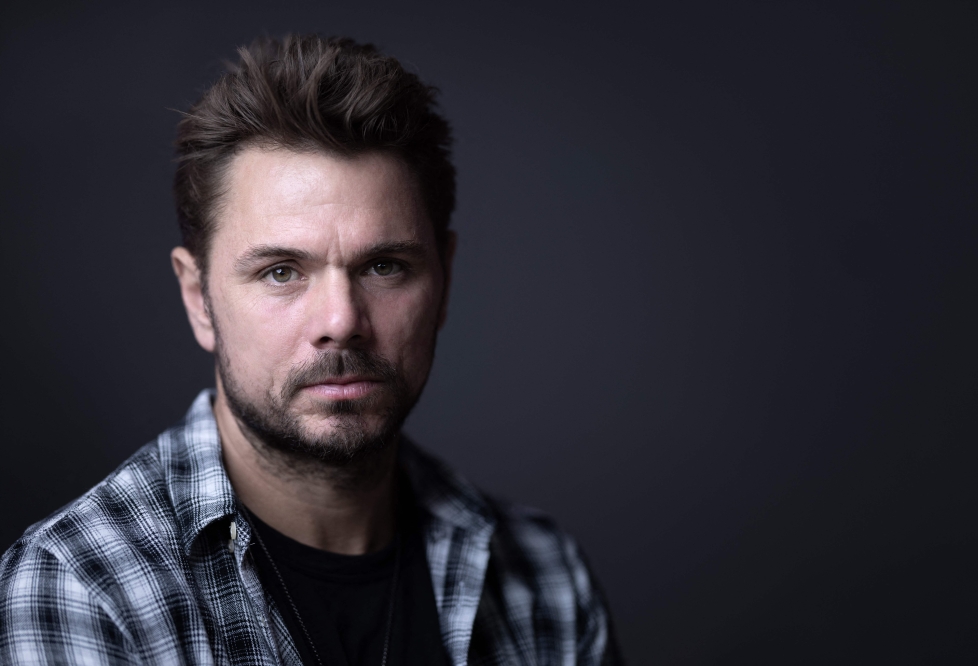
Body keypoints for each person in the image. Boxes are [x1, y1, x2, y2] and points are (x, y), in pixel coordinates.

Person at [0, 34, 620, 665]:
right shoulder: (82, 588)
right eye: (280, 272)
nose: (341, 321)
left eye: (384, 266)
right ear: (198, 298)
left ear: (446, 280)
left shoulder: (544, 577)